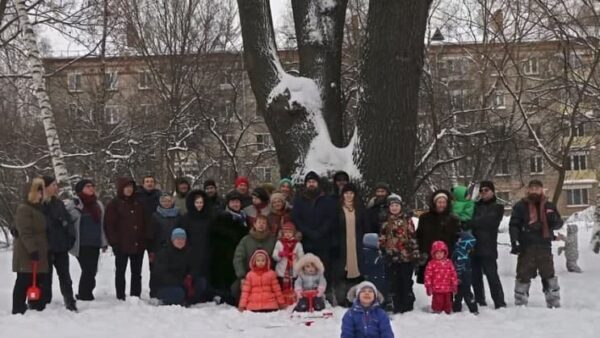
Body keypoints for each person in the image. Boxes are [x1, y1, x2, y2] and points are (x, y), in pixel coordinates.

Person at [509, 179, 563, 308]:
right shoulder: (520, 206)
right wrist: (514, 241)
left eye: (537, 188)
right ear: (528, 190)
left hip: (544, 246)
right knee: (523, 275)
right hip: (526, 246)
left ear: (541, 190)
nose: (534, 191)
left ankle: (553, 302)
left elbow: (558, 224)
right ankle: (520, 303)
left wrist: (553, 219)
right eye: (531, 188)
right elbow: (514, 225)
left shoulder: (549, 205)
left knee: (549, 275)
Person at [292, 171, 338, 301]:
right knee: (306, 267)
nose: (311, 184)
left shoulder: (327, 200)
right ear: (306, 184)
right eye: (309, 182)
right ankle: (305, 293)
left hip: (323, 239)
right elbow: (296, 218)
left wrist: (320, 231)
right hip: (306, 240)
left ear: (318, 184)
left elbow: (331, 218)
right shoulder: (300, 200)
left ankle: (325, 292)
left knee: (324, 267)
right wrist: (307, 231)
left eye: (313, 182)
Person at [105, 177, 152, 300]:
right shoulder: (114, 204)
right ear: (121, 188)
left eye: (131, 187)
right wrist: (114, 242)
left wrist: (145, 238)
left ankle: (135, 294)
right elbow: (109, 225)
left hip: (138, 243)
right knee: (120, 271)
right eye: (126, 187)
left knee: (136, 272)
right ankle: (120, 295)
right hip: (121, 244)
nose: (129, 189)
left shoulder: (139, 203)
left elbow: (146, 222)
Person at [12, 177, 50, 315]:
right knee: (24, 280)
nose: (41, 194)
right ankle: (18, 308)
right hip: (26, 251)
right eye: (39, 192)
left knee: (37, 279)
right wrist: (32, 249)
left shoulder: (39, 208)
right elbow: (25, 231)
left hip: (39, 248)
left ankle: (35, 304)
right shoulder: (24, 209)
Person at [66, 179, 108, 302]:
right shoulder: (73, 204)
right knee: (88, 269)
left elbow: (103, 224)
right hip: (81, 243)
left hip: (95, 242)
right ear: (80, 190)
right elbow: (67, 221)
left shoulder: (98, 204)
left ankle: (86, 291)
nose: (91, 188)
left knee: (92, 269)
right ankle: (85, 294)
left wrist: (104, 241)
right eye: (87, 186)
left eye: (92, 186)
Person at [378, 194, 419, 313]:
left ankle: (408, 304)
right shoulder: (386, 221)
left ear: (401, 207)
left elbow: (412, 237)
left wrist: (415, 251)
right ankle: (397, 304)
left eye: (397, 205)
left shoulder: (407, 220)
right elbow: (382, 237)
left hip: (406, 256)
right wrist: (383, 249)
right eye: (392, 206)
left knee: (406, 280)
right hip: (392, 256)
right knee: (394, 281)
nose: (394, 208)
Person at [41, 176, 77, 311]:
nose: (56, 188)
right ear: (45, 187)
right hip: (44, 248)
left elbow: (69, 223)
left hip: (61, 246)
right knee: (45, 277)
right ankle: (44, 301)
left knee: (65, 276)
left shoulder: (59, 203)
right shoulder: (37, 204)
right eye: (53, 185)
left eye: (56, 185)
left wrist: (70, 239)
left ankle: (69, 300)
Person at [208, 191, 249, 305]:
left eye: (237, 202)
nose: (236, 204)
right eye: (233, 202)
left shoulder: (243, 218)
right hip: (224, 255)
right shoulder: (222, 217)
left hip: (238, 253)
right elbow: (217, 234)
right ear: (228, 203)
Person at [471, 180, 506, 308]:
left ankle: (499, 302)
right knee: (475, 276)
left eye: (486, 190)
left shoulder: (498, 207)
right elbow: (468, 220)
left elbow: (490, 222)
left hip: (488, 247)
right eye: (481, 190)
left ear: (492, 191)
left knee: (492, 276)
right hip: (474, 246)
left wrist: (474, 222)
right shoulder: (474, 206)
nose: (483, 192)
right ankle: (480, 300)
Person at [332, 183, 368, 307]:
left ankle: (356, 298)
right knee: (342, 272)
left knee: (358, 271)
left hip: (356, 244)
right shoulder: (337, 208)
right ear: (342, 195)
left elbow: (364, 226)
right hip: (341, 244)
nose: (349, 195)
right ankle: (342, 299)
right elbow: (333, 227)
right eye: (346, 193)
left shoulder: (360, 209)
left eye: (351, 193)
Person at [416, 189, 460, 284]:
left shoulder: (453, 219)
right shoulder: (424, 218)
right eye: (439, 202)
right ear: (434, 203)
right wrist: (420, 252)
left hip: (447, 257)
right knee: (432, 283)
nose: (441, 205)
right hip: (429, 255)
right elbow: (419, 235)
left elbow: (456, 237)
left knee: (447, 282)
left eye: (444, 202)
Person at [233, 214, 276, 297]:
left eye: (264, 223)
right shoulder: (246, 240)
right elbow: (238, 258)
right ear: (254, 224)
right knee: (235, 288)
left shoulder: (273, 240)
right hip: (249, 275)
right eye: (259, 222)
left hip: (268, 276)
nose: (261, 225)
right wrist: (242, 276)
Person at [181, 189, 212, 303]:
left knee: (204, 274)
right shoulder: (186, 217)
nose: (199, 205)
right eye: (197, 202)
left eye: (201, 203)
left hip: (205, 249)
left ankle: (203, 294)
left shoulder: (208, 216)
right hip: (191, 250)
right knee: (191, 273)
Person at [149, 193, 182, 298]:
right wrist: (151, 250)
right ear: (160, 202)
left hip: (174, 247)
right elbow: (151, 234)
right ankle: (154, 292)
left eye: (168, 201)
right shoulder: (155, 215)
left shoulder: (178, 215)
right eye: (164, 201)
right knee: (156, 271)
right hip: (158, 247)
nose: (166, 203)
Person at [152, 228, 193, 306]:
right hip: (163, 286)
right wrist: (181, 282)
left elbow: (192, 268)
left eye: (182, 239)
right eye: (177, 239)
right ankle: (163, 301)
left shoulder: (188, 252)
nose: (180, 241)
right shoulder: (163, 253)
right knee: (179, 293)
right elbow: (160, 274)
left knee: (200, 284)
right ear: (172, 240)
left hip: (181, 284)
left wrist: (190, 277)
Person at [272, 222, 304, 305]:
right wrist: (280, 254)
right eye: (286, 232)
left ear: (294, 233)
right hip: (281, 270)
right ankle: (282, 300)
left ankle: (293, 300)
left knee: (293, 286)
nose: (288, 234)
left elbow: (301, 256)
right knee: (281, 287)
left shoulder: (297, 244)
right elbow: (274, 256)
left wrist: (297, 258)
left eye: (290, 232)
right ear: (282, 233)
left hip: (293, 270)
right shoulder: (279, 243)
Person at [424, 241, 458, 314]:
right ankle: (437, 311)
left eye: (441, 252)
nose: (439, 255)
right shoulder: (431, 264)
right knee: (438, 301)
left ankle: (447, 311)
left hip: (447, 288)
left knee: (448, 302)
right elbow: (427, 276)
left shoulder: (449, 263)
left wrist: (454, 284)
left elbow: (453, 274)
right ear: (434, 254)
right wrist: (428, 286)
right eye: (437, 253)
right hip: (437, 289)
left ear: (445, 253)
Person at [452, 232, 478, 314]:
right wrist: (459, 277)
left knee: (459, 293)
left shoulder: (460, 251)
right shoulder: (461, 254)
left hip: (463, 276)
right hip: (463, 276)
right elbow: (459, 266)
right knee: (467, 293)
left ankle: (457, 308)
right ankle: (473, 308)